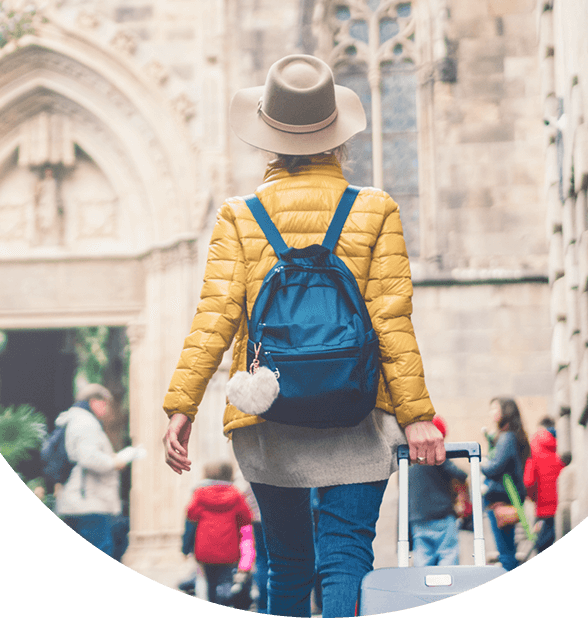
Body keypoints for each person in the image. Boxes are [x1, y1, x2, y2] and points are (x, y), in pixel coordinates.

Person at [163, 54, 445, 618]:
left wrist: (182, 405)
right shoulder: (374, 209)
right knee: (345, 556)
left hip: (271, 413)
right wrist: (417, 415)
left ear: (268, 140)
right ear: (337, 138)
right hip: (360, 413)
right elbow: (392, 318)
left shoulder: (239, 216)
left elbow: (214, 316)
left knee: (286, 562)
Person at [54, 384, 142, 557]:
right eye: (106, 403)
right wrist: (115, 462)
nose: (107, 409)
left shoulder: (73, 420)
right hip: (89, 503)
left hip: (76, 501)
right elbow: (89, 458)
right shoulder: (86, 423)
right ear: (95, 402)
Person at [185, 461, 253, 607]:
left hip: (205, 549)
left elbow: (191, 514)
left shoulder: (199, 493)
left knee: (210, 582)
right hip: (229, 548)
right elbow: (246, 517)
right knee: (226, 581)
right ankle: (225, 602)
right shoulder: (235, 494)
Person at [408, 415, 467, 567]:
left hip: (417, 517)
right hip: (441, 514)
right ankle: (448, 590)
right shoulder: (435, 453)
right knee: (448, 555)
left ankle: (424, 588)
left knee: (423, 557)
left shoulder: (412, 458)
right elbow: (460, 474)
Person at [481, 396, 530, 572]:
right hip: (506, 500)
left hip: (500, 501)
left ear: (506, 411)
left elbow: (495, 467)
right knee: (508, 549)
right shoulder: (511, 436)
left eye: (495, 408)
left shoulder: (507, 437)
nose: (492, 413)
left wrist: (480, 464)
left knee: (506, 552)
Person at [523, 416, 565, 554]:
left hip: (543, 509)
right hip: (561, 504)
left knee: (541, 546)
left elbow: (529, 480)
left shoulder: (534, 444)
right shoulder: (561, 444)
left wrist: (532, 497)